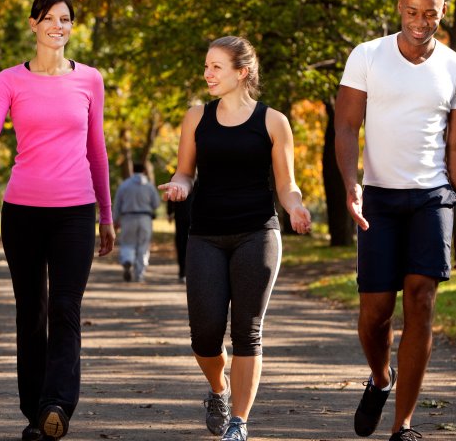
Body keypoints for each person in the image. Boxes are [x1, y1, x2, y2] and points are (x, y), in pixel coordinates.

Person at [0, 0, 115, 441]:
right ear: (33, 24)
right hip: (21, 212)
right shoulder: (9, 81)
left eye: (66, 19)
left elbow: (96, 151)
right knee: (31, 310)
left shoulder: (90, 80)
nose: (59, 26)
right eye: (50, 19)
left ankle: (57, 405)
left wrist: (106, 215)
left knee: (65, 308)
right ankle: (34, 411)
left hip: (75, 213)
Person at [334, 0, 456, 441]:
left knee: (421, 302)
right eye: (412, 12)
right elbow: (347, 127)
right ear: (400, 8)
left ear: (440, 13)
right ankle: (380, 377)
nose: (421, 22)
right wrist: (351, 186)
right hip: (377, 197)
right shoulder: (367, 56)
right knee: (375, 314)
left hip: (431, 199)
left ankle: (404, 426)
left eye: (430, 13)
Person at [159, 36, 311, 441]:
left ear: (241, 72)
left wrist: (295, 207)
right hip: (206, 234)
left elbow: (287, 184)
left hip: (257, 233)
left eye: (216, 67)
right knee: (205, 335)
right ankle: (218, 389)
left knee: (247, 330)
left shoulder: (273, 121)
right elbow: (184, 172)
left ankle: (239, 422)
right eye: (206, 66)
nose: (207, 73)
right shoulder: (196, 117)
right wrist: (179, 187)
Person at [112, 163, 160, 282]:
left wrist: (115, 221)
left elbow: (117, 204)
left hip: (128, 218)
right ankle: (139, 274)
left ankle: (127, 260)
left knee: (128, 243)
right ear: (144, 171)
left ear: (132, 170)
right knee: (143, 246)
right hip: (145, 218)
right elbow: (156, 203)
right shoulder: (149, 186)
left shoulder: (124, 185)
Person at [167, 191, 193, 283]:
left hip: (182, 215)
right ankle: (184, 271)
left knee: (182, 243)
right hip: (190, 215)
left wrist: (169, 212)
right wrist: (169, 212)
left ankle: (184, 272)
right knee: (186, 243)